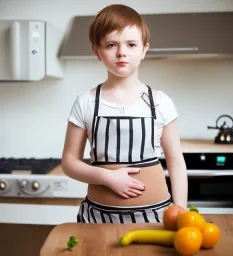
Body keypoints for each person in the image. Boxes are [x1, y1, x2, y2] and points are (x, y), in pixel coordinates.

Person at [62, 4, 188, 224]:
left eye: (131, 44)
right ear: (97, 51)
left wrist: (180, 211)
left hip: (157, 219)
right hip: (97, 220)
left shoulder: (161, 102)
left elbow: (176, 162)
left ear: (144, 50)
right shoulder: (86, 102)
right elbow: (69, 163)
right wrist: (107, 177)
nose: (121, 52)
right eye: (111, 45)